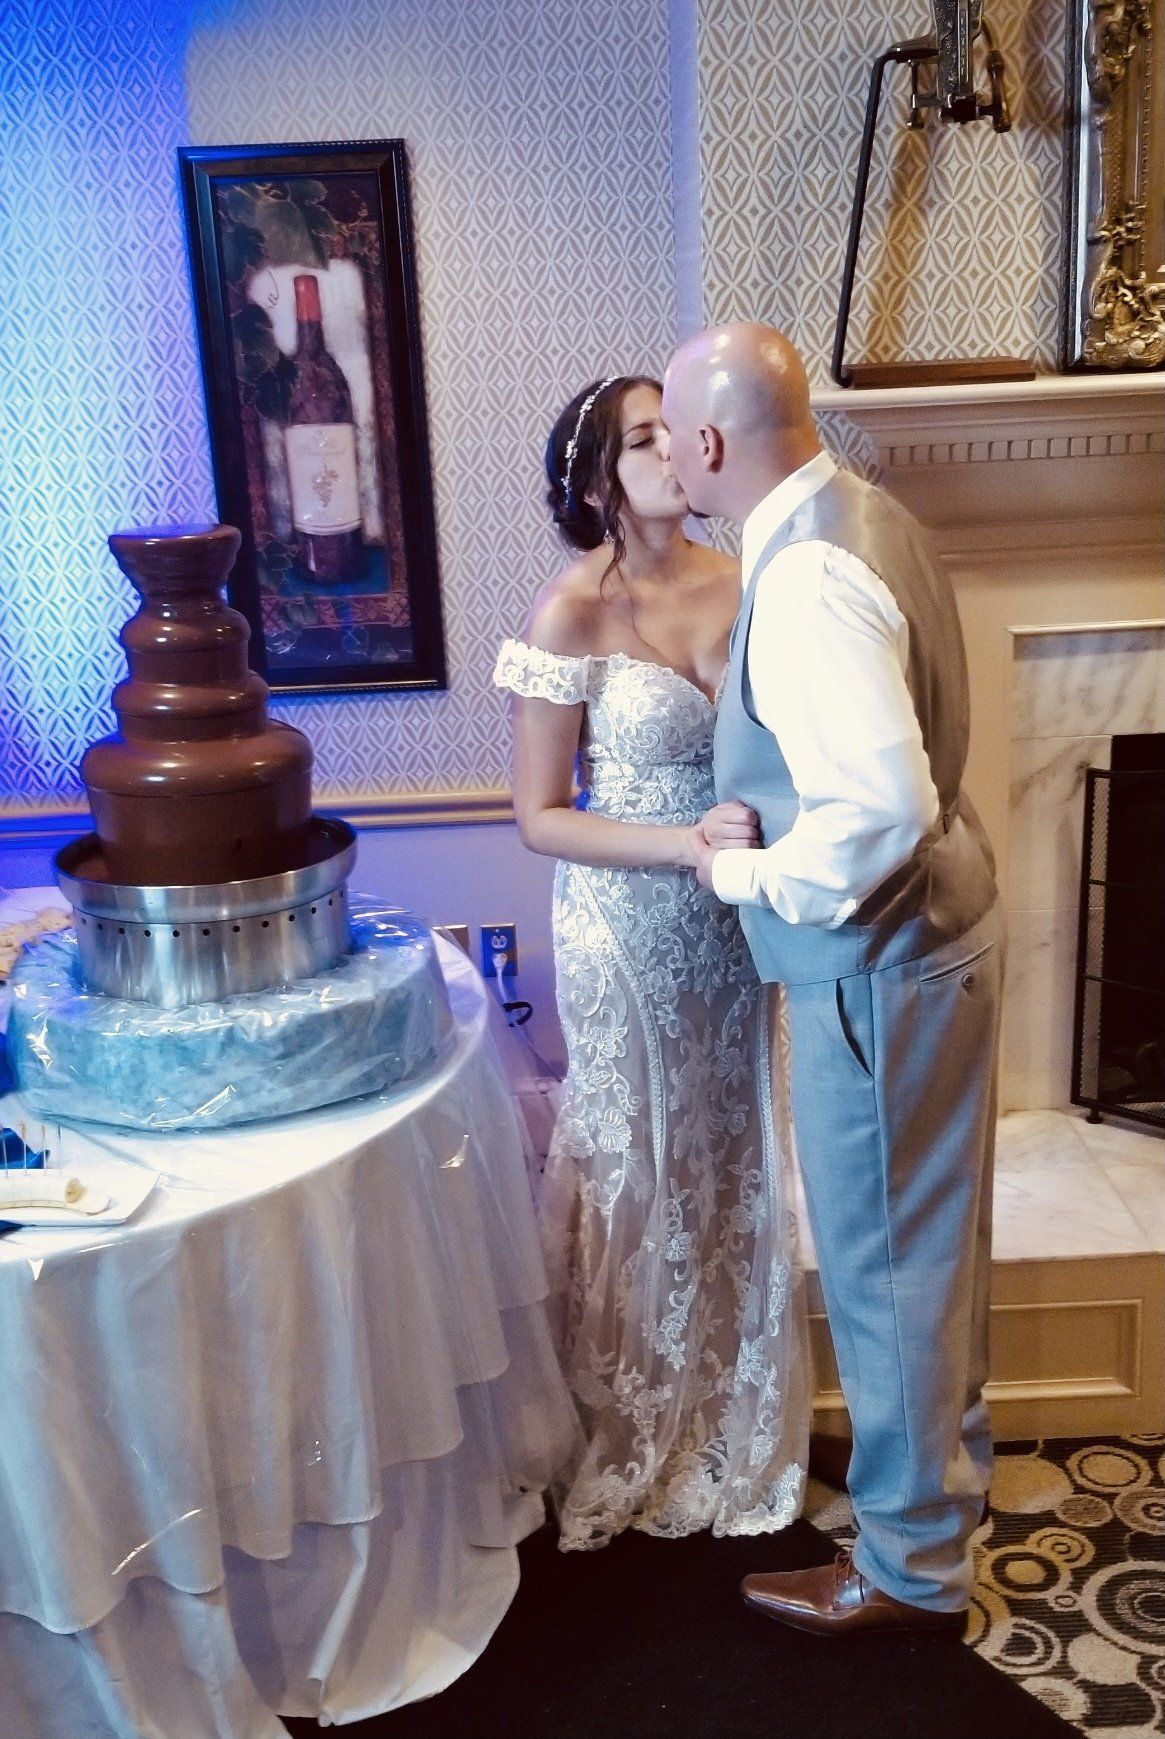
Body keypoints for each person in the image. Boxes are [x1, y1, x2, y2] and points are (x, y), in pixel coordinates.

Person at [661, 324, 1002, 1636]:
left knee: (884, 1267)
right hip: (940, 940)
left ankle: (913, 1571)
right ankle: (946, 1494)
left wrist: (745, 878)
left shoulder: (802, 577)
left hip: (878, 968)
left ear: (705, 442)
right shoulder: (869, 509)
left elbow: (876, 809)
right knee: (938, 1246)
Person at [493, 374, 809, 1551]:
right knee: (641, 1163)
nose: (674, 449)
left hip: (734, 917)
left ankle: (731, 1415)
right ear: (596, 479)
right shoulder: (567, 610)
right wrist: (680, 843)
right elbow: (536, 814)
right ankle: (628, 1417)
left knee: (736, 1156)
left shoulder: (747, 579)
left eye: (675, 427)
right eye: (643, 437)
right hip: (625, 921)